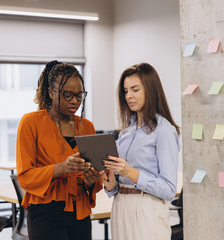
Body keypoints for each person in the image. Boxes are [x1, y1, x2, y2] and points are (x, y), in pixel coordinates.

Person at [16, 61, 102, 240]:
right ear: (50, 92)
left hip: (80, 212)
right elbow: (25, 176)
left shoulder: (87, 126)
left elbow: (95, 179)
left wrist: (91, 181)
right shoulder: (31, 123)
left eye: (80, 96)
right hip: (45, 213)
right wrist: (61, 168)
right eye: (68, 95)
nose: (75, 101)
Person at [101, 62, 181, 240]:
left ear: (150, 90)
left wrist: (130, 172)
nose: (129, 96)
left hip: (147, 209)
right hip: (120, 205)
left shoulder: (164, 131)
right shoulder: (125, 132)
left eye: (135, 89)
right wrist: (111, 184)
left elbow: (169, 189)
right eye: (126, 90)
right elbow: (119, 183)